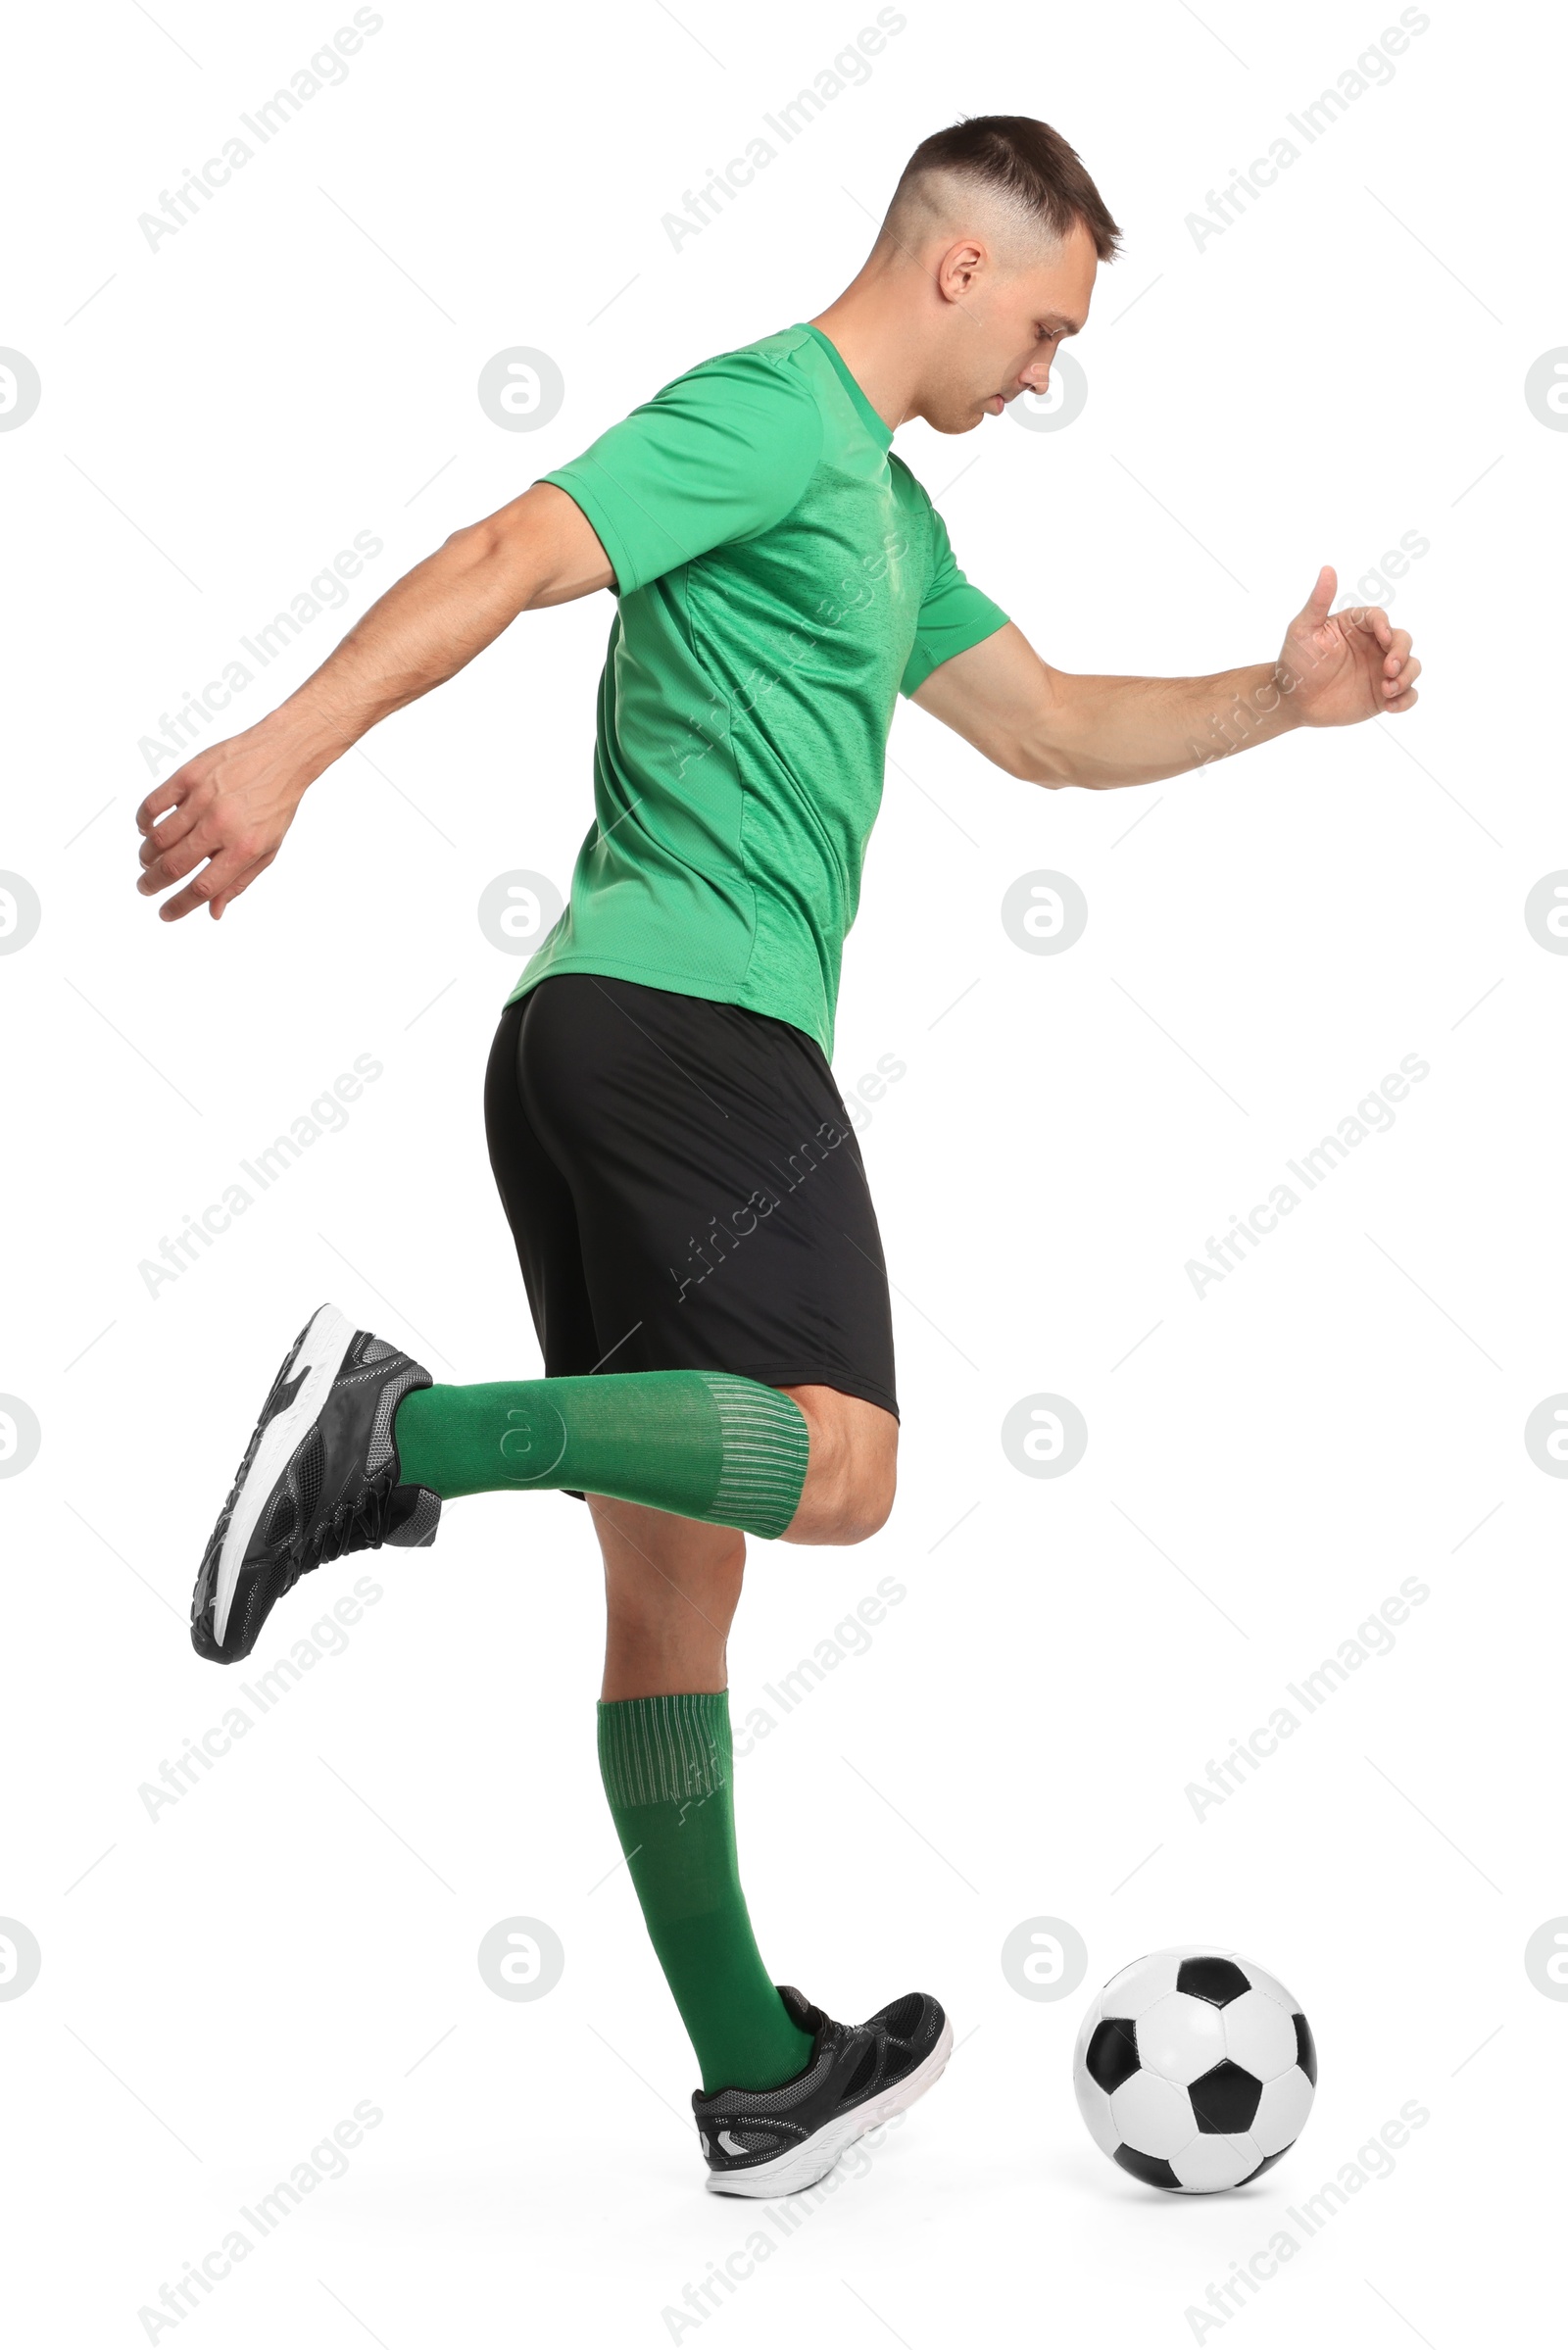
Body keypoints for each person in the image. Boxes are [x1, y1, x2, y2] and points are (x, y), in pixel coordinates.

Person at [134, 115, 1421, 2197]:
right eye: (1045, 324)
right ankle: (398, 1429)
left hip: (590, 1042)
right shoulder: (769, 416)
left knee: (669, 1585)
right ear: (954, 264)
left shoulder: (884, 522)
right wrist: (284, 748)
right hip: (691, 1031)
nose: (1043, 371)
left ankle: (755, 2074)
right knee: (848, 1461)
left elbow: (1050, 726)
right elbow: (505, 557)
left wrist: (1278, 700)